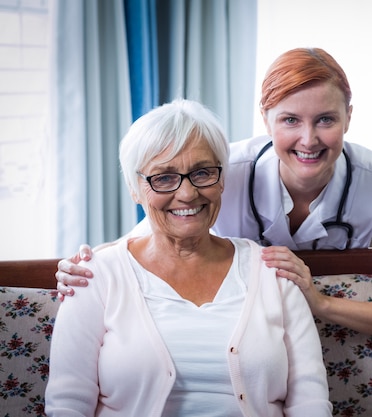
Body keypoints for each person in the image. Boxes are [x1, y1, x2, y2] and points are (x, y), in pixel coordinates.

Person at [55, 47, 372, 343]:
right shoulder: (218, 173)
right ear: (265, 117)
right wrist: (86, 265)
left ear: (348, 117)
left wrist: (320, 302)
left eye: (326, 119)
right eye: (290, 120)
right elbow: (145, 239)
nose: (308, 139)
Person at [45, 98, 332, 417]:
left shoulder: (273, 272)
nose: (187, 193)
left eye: (202, 172)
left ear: (222, 179)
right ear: (135, 188)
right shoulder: (93, 276)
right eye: (164, 177)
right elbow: (67, 404)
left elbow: (310, 401)